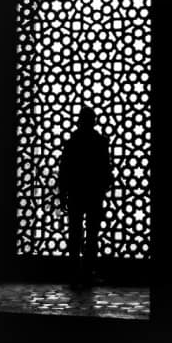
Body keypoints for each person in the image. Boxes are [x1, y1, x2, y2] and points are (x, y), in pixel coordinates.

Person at [58, 105, 113, 288]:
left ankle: (75, 274)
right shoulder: (100, 142)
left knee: (75, 234)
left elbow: (64, 169)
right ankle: (87, 273)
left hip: (76, 192)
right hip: (93, 193)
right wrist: (103, 188)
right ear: (93, 121)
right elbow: (106, 170)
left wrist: (63, 193)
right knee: (91, 235)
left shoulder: (73, 142)